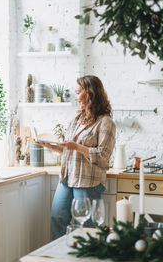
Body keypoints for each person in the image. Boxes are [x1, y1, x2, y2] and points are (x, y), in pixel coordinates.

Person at [35, 75, 116, 240]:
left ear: (90, 93)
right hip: (67, 177)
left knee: (86, 226)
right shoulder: (77, 119)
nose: (75, 95)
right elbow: (69, 150)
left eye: (78, 92)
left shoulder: (106, 122)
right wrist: (48, 145)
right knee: (57, 218)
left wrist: (77, 147)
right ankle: (60, 256)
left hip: (88, 181)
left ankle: (88, 257)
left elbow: (103, 156)